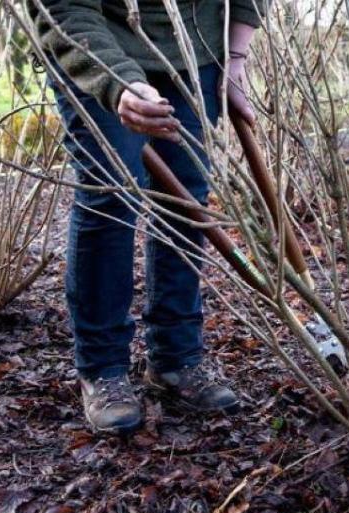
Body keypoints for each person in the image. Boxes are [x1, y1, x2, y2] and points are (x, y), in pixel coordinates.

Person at [29, 0, 264, 434]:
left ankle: (177, 357)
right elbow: (63, 7)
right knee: (112, 193)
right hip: (99, 36)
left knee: (186, 197)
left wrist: (234, 58)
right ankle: (102, 368)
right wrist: (118, 85)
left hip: (197, 45)